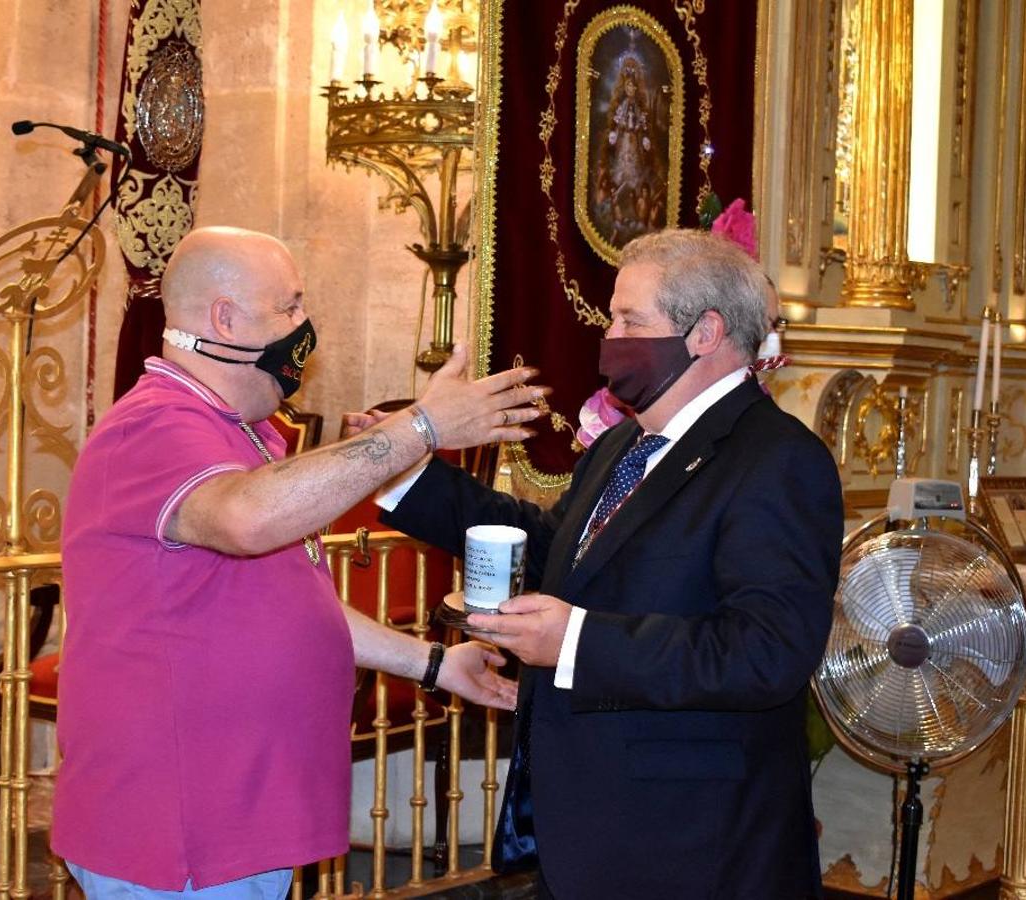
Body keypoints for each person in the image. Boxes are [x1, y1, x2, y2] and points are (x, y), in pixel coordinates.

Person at [51, 226, 546, 899]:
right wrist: (423, 426)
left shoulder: (243, 432)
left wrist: (431, 663)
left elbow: (291, 607)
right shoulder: (155, 424)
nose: (304, 325)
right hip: (180, 824)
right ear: (225, 318)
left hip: (237, 817)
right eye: (289, 307)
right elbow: (247, 519)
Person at [378, 229, 843, 898]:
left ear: (705, 332)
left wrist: (573, 640)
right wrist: (403, 476)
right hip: (596, 827)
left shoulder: (775, 459)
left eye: (631, 320)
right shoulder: (624, 443)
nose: (611, 335)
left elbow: (767, 651)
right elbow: (562, 554)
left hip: (692, 845)